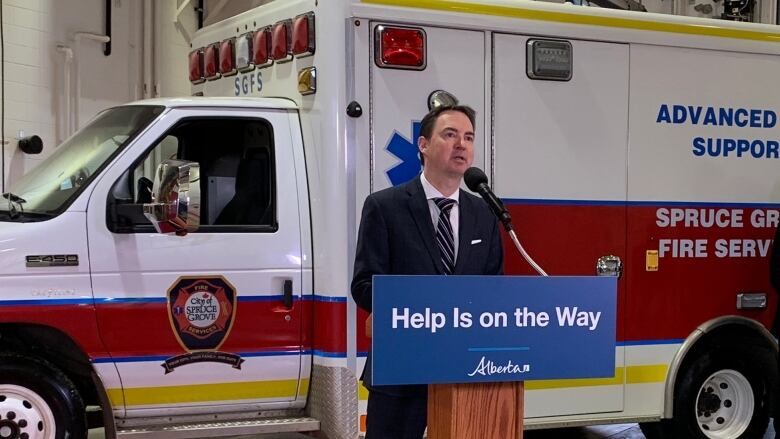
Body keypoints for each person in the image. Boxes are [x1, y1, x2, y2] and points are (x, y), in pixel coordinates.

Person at [351, 104, 504, 439]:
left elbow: (494, 289)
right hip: (401, 369)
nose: (461, 145)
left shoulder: (485, 212)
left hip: (466, 369)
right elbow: (364, 284)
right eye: (450, 135)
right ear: (423, 145)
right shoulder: (385, 206)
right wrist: (417, 306)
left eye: (468, 137)